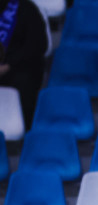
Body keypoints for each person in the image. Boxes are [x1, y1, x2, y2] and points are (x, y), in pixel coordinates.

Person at [0, 0, 49, 128]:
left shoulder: (27, 10)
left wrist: (8, 65)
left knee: (24, 80)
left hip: (19, 68)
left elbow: (38, 45)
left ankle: (23, 132)